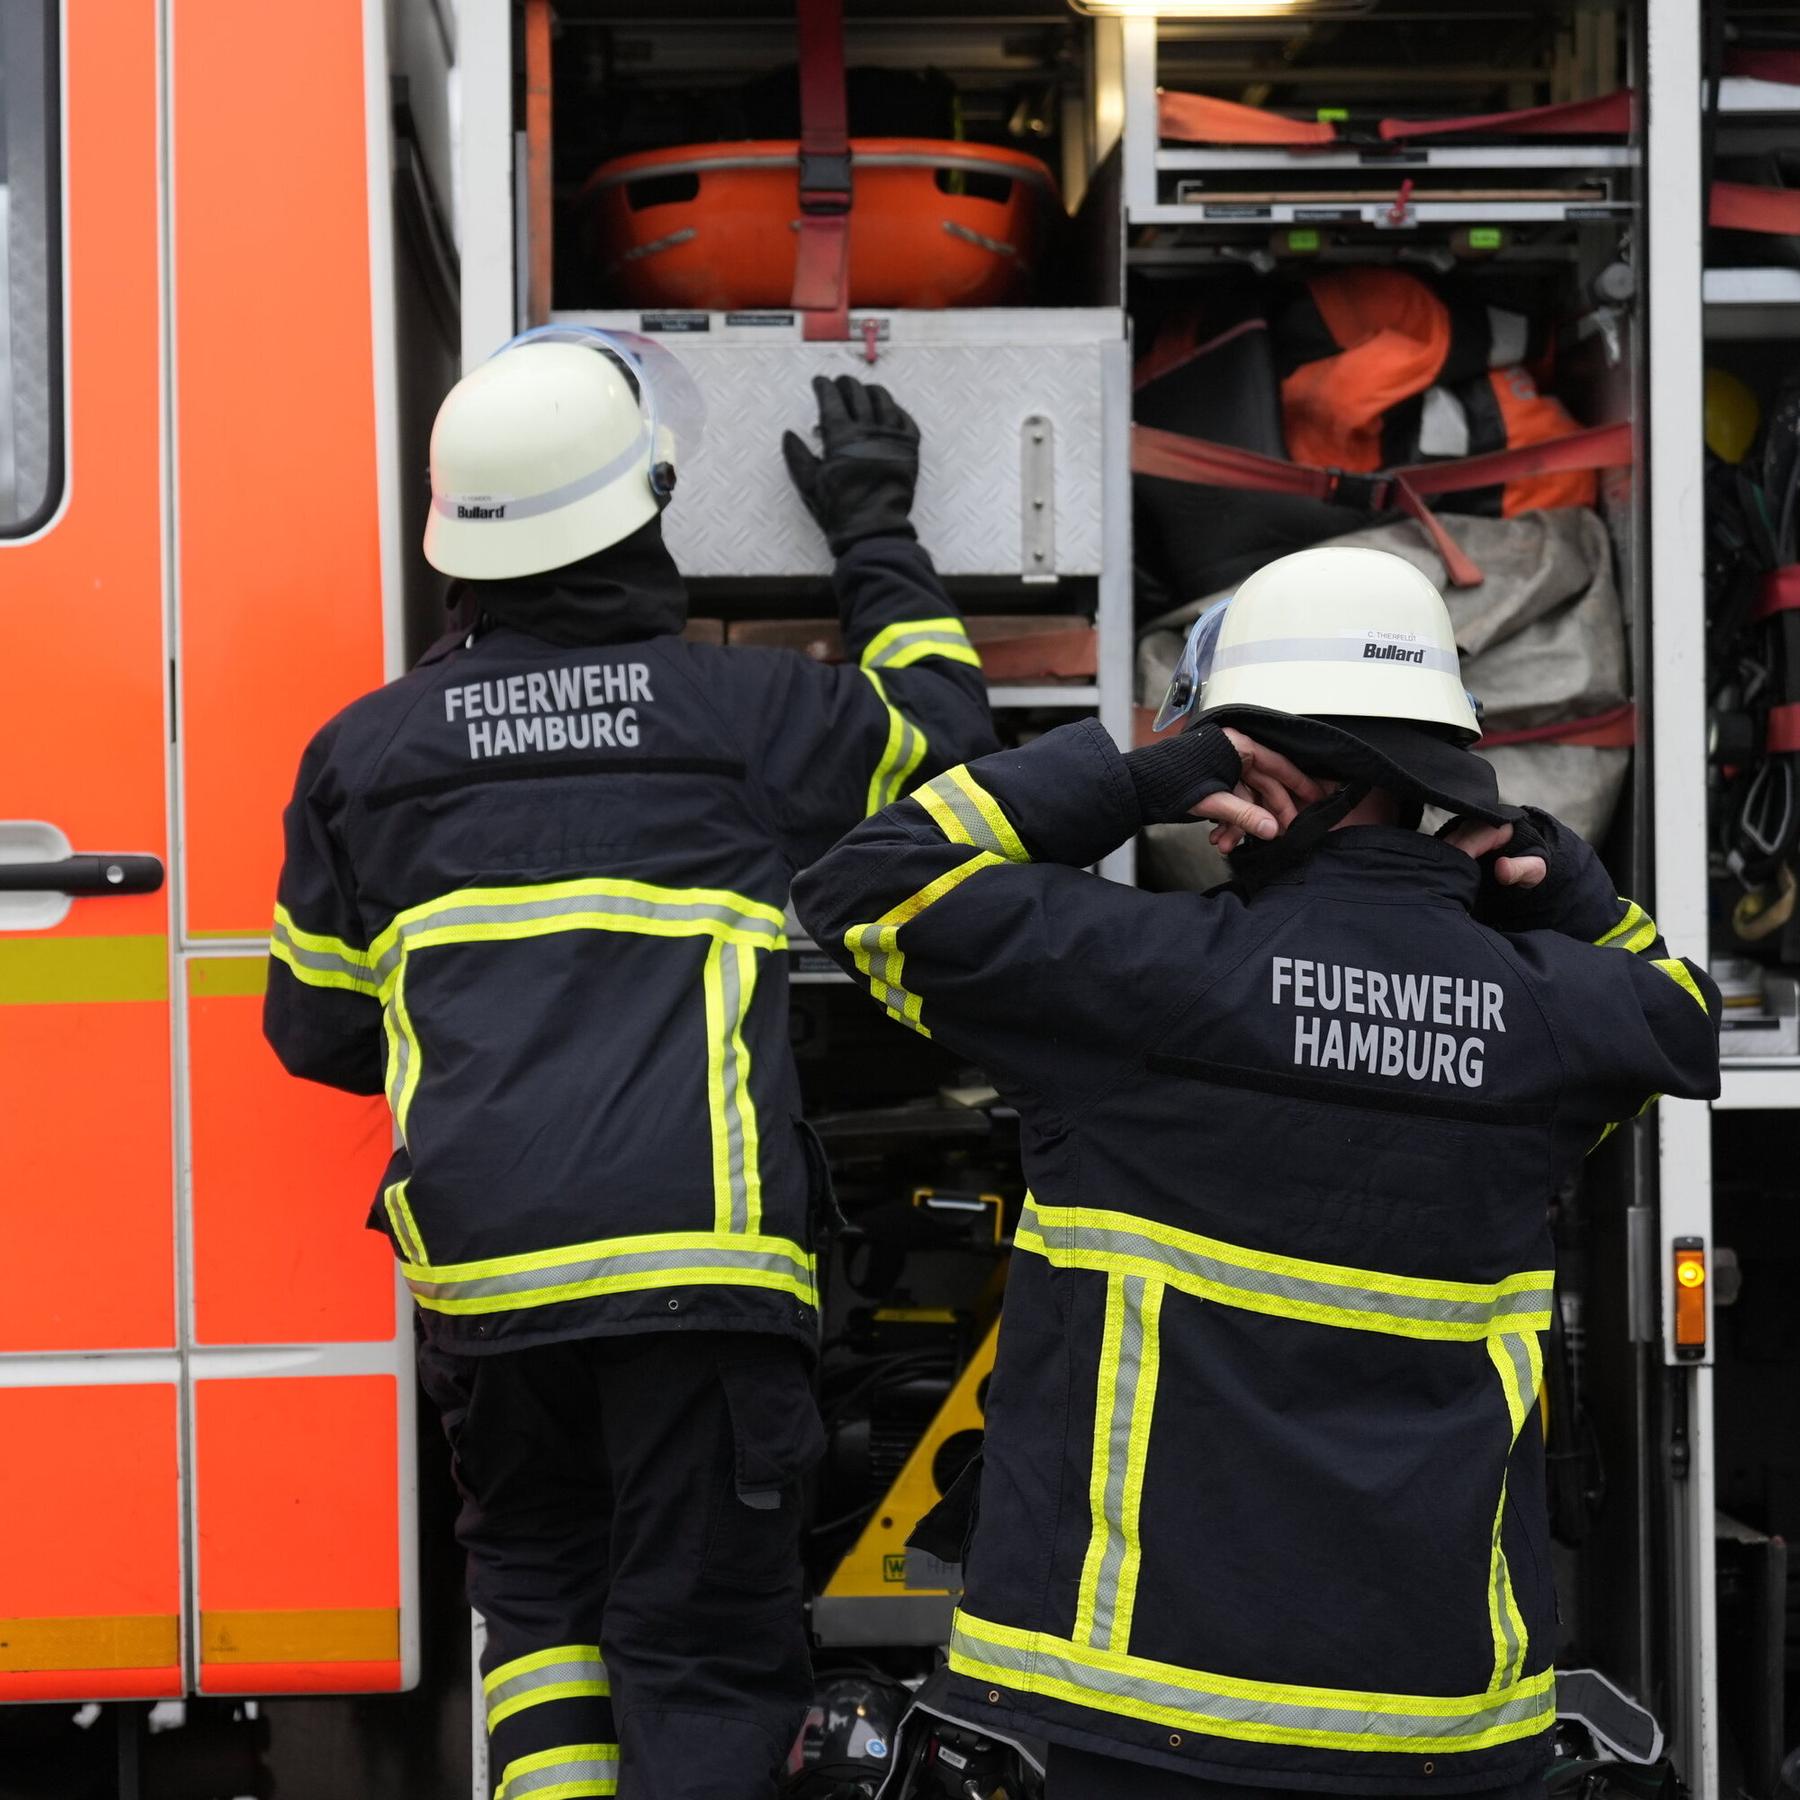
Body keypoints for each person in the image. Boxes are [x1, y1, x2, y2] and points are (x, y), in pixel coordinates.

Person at [794, 544, 1721, 1800]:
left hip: (1140, 1707)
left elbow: (863, 887)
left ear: (1254, 768)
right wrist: (1571, 887)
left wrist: (1130, 782)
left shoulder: (1132, 982)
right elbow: (1680, 1014)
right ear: (1437, 764)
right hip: (1432, 1722)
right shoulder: (1553, 1023)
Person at [261, 335, 997, 1800]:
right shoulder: (736, 715)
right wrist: (874, 531)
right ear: (645, 512)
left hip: (487, 1289)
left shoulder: (362, 753)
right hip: (697, 1270)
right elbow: (949, 750)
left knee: (538, 1606)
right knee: (704, 1640)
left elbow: (316, 1028)